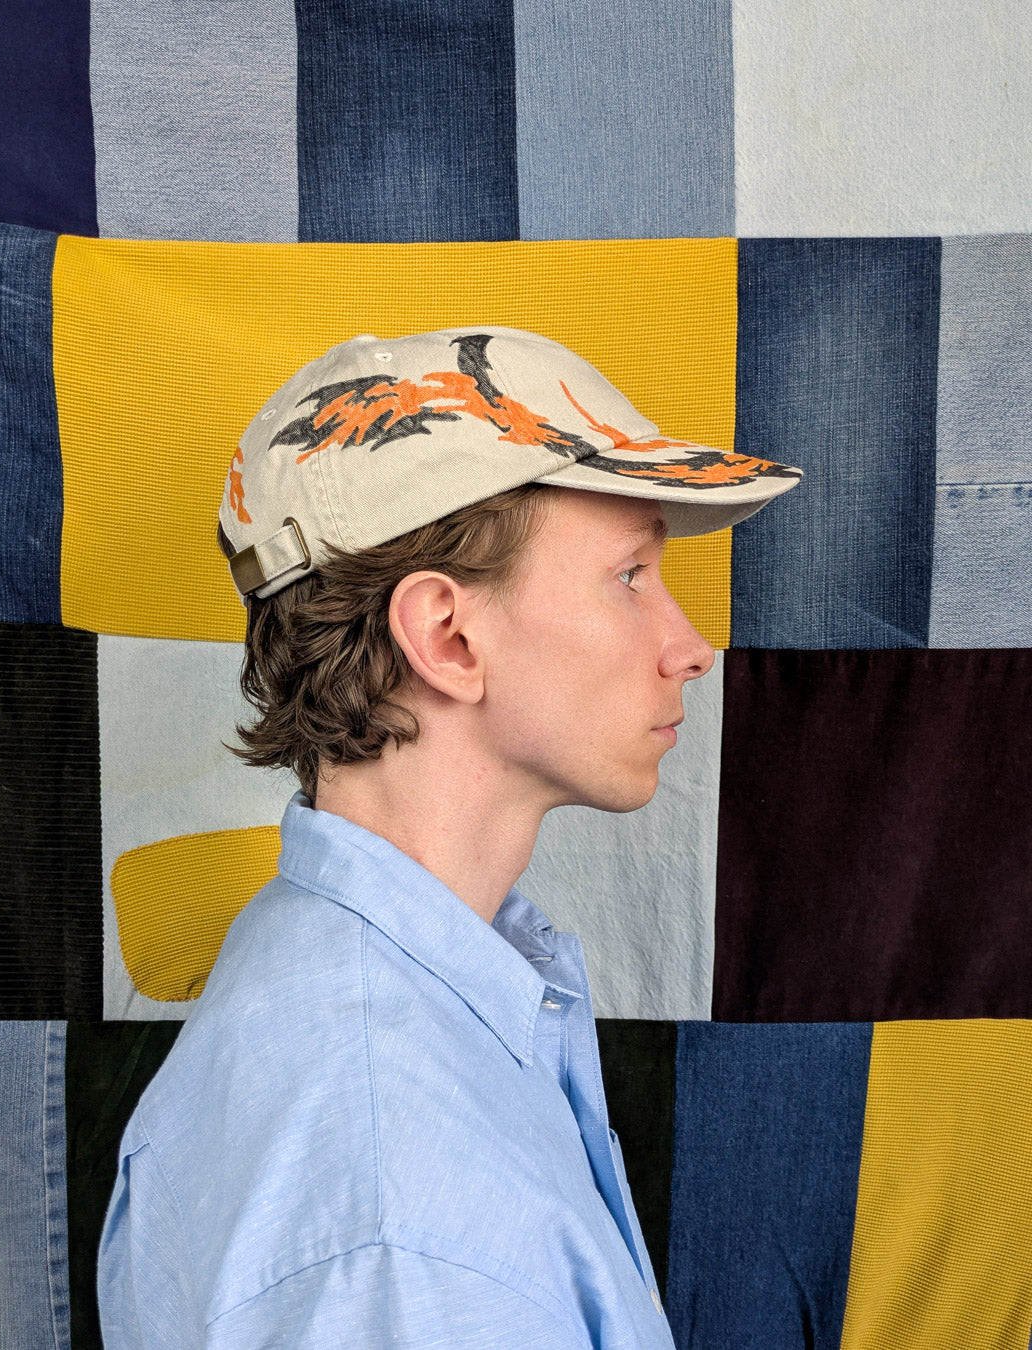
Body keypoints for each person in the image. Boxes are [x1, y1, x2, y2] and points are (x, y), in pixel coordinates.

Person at [97, 326, 801, 1348]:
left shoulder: (353, 976)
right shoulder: (395, 1207)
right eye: (630, 575)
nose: (689, 648)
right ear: (447, 636)